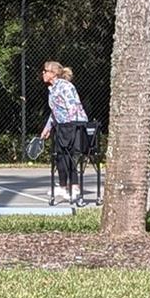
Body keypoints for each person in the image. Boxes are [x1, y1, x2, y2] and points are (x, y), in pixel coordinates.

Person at [40, 60, 89, 205]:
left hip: (73, 125)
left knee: (69, 156)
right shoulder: (53, 89)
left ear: (53, 74)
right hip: (62, 126)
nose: (43, 73)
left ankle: (75, 188)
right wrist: (47, 128)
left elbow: (72, 107)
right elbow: (55, 111)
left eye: (45, 71)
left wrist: (72, 127)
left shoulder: (66, 87)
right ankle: (62, 187)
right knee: (60, 156)